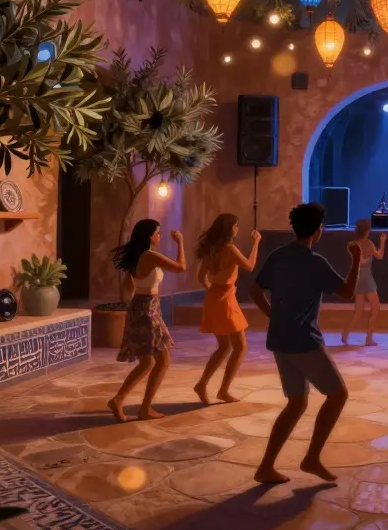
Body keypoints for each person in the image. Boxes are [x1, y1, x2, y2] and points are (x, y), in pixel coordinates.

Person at [250, 203, 361, 484]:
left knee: (296, 402)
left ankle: (266, 467)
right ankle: (311, 458)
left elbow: (254, 289)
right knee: (337, 395)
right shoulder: (314, 262)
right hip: (303, 340)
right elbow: (348, 292)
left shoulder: (278, 256)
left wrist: (272, 315)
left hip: (279, 339)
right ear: (318, 230)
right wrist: (357, 259)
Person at [108, 219, 185, 422]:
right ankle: (142, 408)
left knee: (147, 362)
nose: (159, 236)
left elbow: (127, 286)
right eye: (158, 233)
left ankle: (119, 400)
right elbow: (181, 267)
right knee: (162, 360)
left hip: (140, 306)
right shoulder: (150, 256)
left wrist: (140, 295)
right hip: (148, 309)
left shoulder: (135, 257)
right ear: (149, 236)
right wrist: (180, 243)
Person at [193, 213, 261, 405]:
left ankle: (203, 384)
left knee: (224, 346)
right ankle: (222, 390)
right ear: (230, 228)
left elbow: (201, 277)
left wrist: (214, 290)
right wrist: (256, 242)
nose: (238, 229)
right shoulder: (229, 249)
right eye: (236, 225)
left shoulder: (211, 250)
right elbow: (249, 266)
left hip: (214, 297)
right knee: (240, 346)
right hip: (225, 300)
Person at [342, 219, 386, 347]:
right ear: (367, 231)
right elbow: (366, 260)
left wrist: (382, 243)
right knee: (376, 307)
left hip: (357, 278)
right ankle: (368, 338)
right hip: (364, 277)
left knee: (359, 310)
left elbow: (378, 256)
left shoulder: (353, 244)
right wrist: (372, 251)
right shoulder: (363, 244)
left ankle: (346, 333)